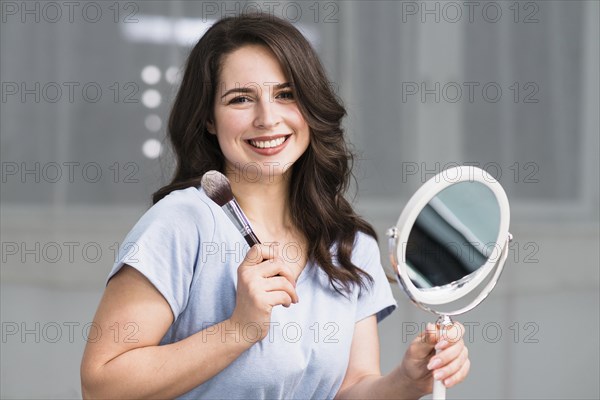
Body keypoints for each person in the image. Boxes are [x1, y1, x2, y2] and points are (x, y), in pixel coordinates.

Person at [80, 13, 469, 399]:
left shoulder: (348, 246)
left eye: (286, 94)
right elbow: (101, 385)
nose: (267, 118)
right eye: (240, 99)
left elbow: (348, 389)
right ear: (209, 120)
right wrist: (238, 330)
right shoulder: (181, 223)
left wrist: (406, 381)